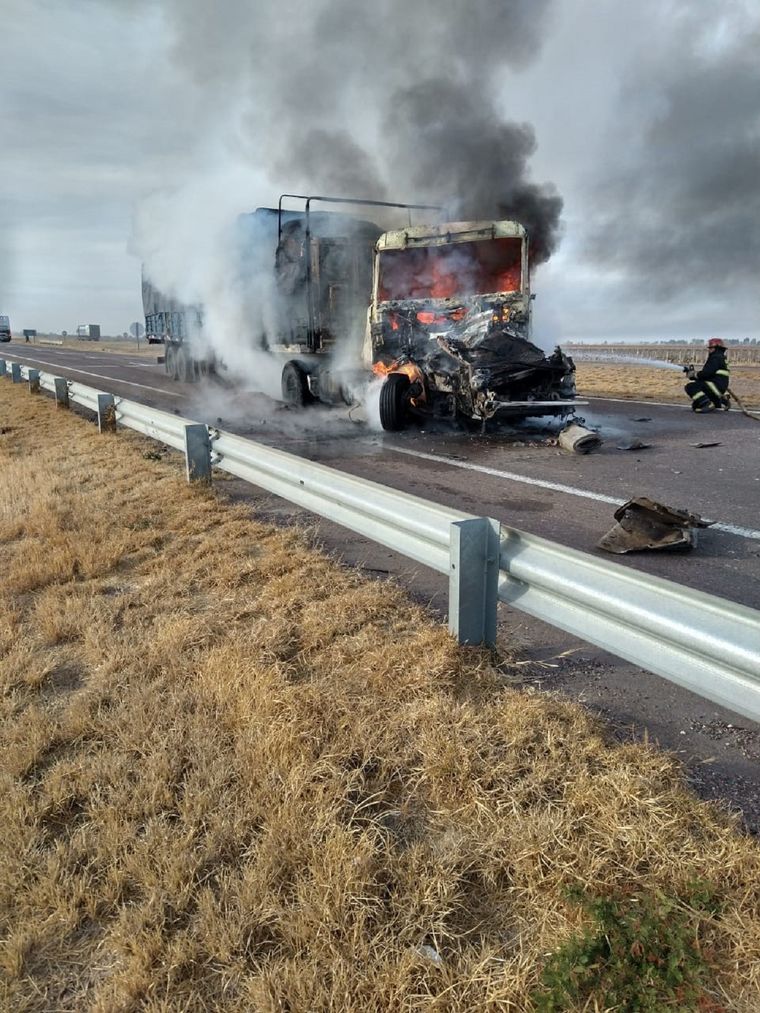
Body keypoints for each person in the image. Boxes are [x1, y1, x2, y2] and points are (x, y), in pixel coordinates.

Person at [684, 338, 730, 412]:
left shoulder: (715, 357)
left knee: (690, 387)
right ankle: (721, 400)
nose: (709, 350)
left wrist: (694, 374)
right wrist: (694, 376)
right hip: (717, 386)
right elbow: (709, 375)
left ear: (716, 348)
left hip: (714, 386)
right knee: (696, 405)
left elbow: (706, 374)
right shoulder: (721, 357)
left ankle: (708, 404)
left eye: (711, 348)